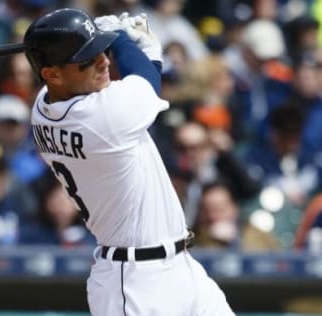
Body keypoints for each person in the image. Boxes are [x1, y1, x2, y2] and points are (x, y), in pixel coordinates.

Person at [24, 8, 234, 315]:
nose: (104, 61)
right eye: (88, 61)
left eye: (101, 51)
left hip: (179, 267)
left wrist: (91, 38)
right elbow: (147, 79)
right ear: (51, 74)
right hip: (135, 282)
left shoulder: (44, 106)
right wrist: (123, 39)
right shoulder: (101, 118)